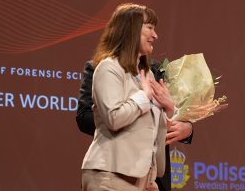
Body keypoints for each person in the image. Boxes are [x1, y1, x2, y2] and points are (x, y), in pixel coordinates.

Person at [80, 3, 179, 190]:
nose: (155, 35)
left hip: (145, 179)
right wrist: (144, 97)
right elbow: (114, 118)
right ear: (131, 30)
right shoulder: (109, 68)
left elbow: (150, 129)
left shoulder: (147, 75)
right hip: (111, 176)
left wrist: (169, 109)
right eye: (149, 28)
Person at [76, 60, 193, 191]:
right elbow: (84, 117)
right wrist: (129, 120)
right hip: (119, 170)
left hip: (155, 178)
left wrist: (187, 128)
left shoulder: (156, 71)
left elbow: (168, 114)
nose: (154, 37)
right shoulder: (101, 67)